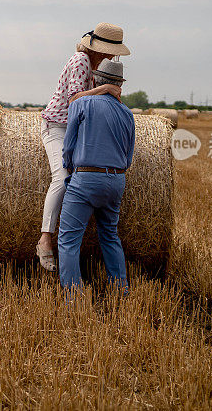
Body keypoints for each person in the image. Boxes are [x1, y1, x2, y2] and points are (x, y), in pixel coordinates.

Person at [37, 23, 131, 272]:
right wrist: (106, 89)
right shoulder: (80, 60)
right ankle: (45, 237)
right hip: (58, 127)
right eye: (110, 51)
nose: (112, 56)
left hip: (77, 128)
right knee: (63, 176)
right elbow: (75, 100)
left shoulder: (96, 66)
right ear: (100, 49)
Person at [57, 58, 135, 292]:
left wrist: (69, 167)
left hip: (87, 178)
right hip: (116, 180)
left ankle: (73, 297)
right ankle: (120, 289)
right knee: (110, 236)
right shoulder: (127, 113)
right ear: (120, 85)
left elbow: (69, 145)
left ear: (95, 79)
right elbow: (128, 156)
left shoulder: (83, 104)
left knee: (69, 240)